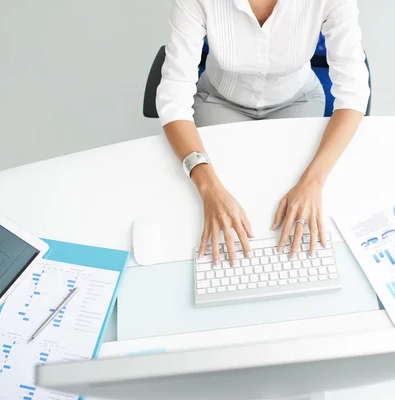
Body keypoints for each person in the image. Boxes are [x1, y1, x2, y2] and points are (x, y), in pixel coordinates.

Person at [157, 0, 370, 266]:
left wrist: (313, 182)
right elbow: (173, 100)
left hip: (298, 100)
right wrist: (210, 189)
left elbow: (354, 93)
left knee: (296, 204)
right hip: (219, 100)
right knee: (215, 202)